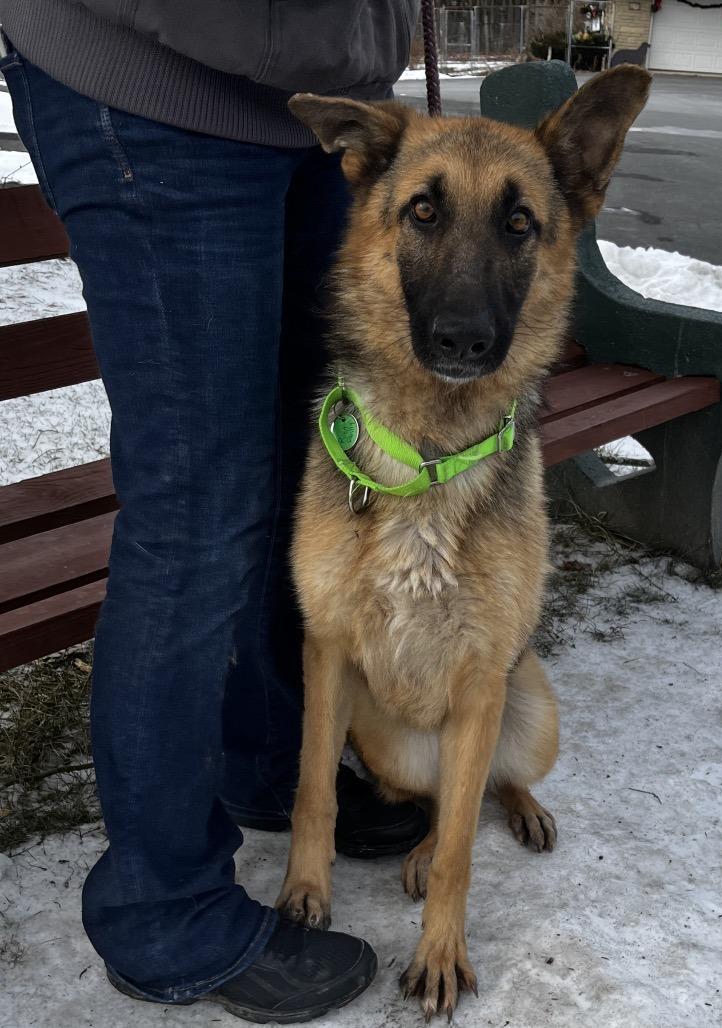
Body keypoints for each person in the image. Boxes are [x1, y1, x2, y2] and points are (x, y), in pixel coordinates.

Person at [0, 2, 428, 1022]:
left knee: (293, 468)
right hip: (150, 79)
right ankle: (160, 906)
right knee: (198, 508)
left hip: (305, 103)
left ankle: (261, 759)